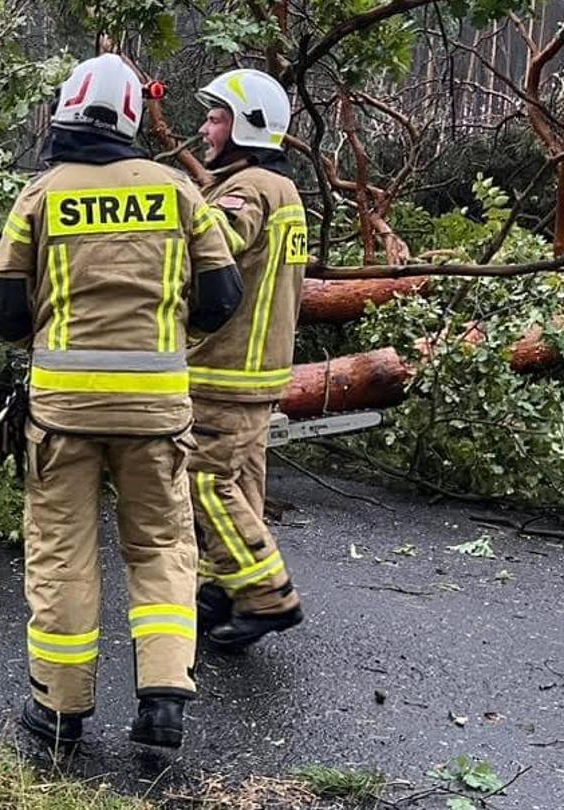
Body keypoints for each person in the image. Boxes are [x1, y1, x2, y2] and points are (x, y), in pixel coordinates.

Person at [0, 54, 243, 750]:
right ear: (133, 115)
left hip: (63, 414)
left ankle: (60, 712)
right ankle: (163, 704)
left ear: (67, 107)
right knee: (161, 546)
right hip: (157, 414)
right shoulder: (179, 193)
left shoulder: (41, 195)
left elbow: (3, 309)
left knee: (63, 551)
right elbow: (223, 299)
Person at [186, 69, 308, 649]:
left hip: (225, 369)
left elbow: (214, 242)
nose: (204, 129)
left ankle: (267, 594)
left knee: (204, 481)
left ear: (247, 126)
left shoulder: (250, 189)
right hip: (259, 369)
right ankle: (219, 591)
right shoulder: (283, 188)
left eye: (215, 118)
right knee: (241, 485)